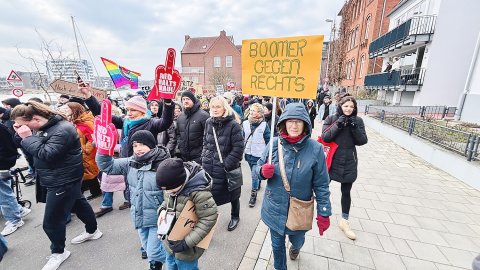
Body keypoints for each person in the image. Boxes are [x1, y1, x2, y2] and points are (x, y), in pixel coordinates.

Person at [11, 101, 102, 270]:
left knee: (51, 221)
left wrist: (27, 137)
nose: (20, 128)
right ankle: (93, 231)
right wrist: (24, 135)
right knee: (79, 204)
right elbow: (23, 144)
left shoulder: (63, 129)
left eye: (22, 125)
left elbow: (48, 154)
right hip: (58, 177)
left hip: (63, 179)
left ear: (36, 119)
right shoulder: (42, 128)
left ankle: (59, 252)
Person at [255, 103, 331, 270]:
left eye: (299, 121)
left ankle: (295, 249)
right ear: (283, 123)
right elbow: (256, 169)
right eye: (290, 121)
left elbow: (322, 184)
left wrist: (324, 212)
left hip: (299, 210)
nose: (294, 125)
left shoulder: (315, 149)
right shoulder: (274, 144)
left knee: (298, 241)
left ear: (305, 124)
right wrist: (261, 171)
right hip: (274, 208)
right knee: (276, 246)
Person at [82, 85, 174, 214]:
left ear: (142, 112)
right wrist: (88, 97)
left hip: (146, 165)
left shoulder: (151, 123)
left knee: (147, 194)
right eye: (127, 110)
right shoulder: (125, 122)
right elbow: (103, 114)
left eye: (133, 110)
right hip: (129, 162)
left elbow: (166, 121)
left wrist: (168, 103)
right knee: (132, 190)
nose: (129, 113)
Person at [96, 130, 168, 270]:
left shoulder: (163, 164)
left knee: (154, 250)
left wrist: (166, 208)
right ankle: (155, 263)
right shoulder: (131, 162)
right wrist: (103, 149)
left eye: (142, 145)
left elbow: (171, 191)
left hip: (158, 217)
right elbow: (108, 166)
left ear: (152, 145)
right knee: (147, 247)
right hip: (139, 214)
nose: (138, 149)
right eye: (135, 146)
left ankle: (163, 264)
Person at [156, 158, 218, 270]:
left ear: (182, 181)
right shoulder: (171, 186)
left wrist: (186, 243)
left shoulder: (199, 193)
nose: (169, 192)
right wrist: (162, 209)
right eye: (166, 190)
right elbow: (167, 202)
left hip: (187, 249)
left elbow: (209, 219)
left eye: (172, 190)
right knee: (170, 266)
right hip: (169, 243)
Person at [321, 96, 368, 240]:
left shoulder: (358, 121)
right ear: (340, 106)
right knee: (322, 188)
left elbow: (362, 141)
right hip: (332, 160)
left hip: (349, 161)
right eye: (346, 106)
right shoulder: (331, 118)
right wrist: (339, 124)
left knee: (346, 192)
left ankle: (344, 221)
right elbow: (325, 137)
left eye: (351, 107)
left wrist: (354, 128)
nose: (348, 109)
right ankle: (319, 214)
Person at [202, 96, 244, 231]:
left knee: (233, 194)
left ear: (224, 108)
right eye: (212, 106)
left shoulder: (233, 125)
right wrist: (204, 158)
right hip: (209, 166)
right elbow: (205, 142)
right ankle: (209, 221)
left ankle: (235, 216)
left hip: (227, 168)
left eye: (218, 106)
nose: (215, 109)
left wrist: (226, 164)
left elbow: (238, 148)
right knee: (210, 195)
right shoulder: (209, 122)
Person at [59, 102, 101, 200]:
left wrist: (86, 150)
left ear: (74, 110)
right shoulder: (75, 122)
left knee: (90, 172)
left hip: (86, 153)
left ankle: (94, 192)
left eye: (66, 109)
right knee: (89, 173)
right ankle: (95, 191)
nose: (64, 111)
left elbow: (93, 138)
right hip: (81, 152)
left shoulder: (85, 122)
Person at [0, 122, 31, 236]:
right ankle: (18, 210)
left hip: (2, 165)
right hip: (3, 164)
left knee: (3, 194)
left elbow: (10, 149)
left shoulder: (1, 128)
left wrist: (3, 166)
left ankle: (15, 220)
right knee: (4, 193)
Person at [243, 103, 270, 207]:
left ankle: (253, 194)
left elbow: (268, 141)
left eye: (254, 110)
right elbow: (242, 137)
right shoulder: (245, 123)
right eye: (251, 110)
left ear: (259, 113)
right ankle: (257, 183)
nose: (251, 112)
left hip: (258, 155)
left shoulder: (264, 125)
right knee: (253, 172)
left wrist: (267, 155)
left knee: (254, 175)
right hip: (248, 153)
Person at [176, 91, 209, 163]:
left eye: (187, 99)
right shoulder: (180, 116)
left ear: (193, 100)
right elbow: (178, 134)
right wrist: (180, 147)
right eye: (183, 99)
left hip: (199, 157)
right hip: (184, 157)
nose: (185, 101)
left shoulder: (204, 115)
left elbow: (208, 136)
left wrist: (204, 152)